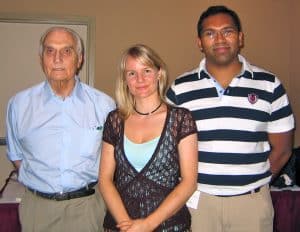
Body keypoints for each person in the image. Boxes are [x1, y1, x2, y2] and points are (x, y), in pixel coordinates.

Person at [166, 5, 295, 232]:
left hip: (252, 205)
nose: (219, 39)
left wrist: (254, 182)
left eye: (227, 31)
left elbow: (283, 149)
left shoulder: (269, 85)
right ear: (199, 42)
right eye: (210, 33)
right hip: (198, 203)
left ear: (240, 37)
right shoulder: (179, 90)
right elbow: (167, 148)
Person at [6, 26, 115, 232]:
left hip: (88, 208)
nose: (57, 59)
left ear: (79, 59)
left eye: (66, 51)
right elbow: (16, 156)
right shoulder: (19, 105)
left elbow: (113, 161)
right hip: (37, 210)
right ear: (41, 59)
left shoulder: (105, 106)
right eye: (50, 51)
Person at [99, 44, 198, 232]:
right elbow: (105, 179)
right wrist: (127, 226)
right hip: (120, 226)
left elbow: (188, 183)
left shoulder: (180, 119)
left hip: (170, 226)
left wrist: (147, 225)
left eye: (146, 70)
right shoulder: (115, 120)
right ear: (124, 79)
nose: (140, 79)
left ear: (159, 73)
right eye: (132, 73)